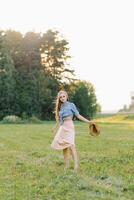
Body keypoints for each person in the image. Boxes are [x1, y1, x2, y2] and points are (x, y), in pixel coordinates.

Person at [51, 90, 94, 171]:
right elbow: (60, 121)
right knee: (64, 147)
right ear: (59, 99)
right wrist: (54, 127)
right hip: (63, 127)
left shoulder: (71, 105)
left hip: (69, 126)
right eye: (60, 97)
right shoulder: (60, 107)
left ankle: (76, 166)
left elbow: (78, 115)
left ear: (66, 96)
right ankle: (66, 166)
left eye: (63, 96)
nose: (62, 98)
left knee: (71, 145)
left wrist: (88, 121)